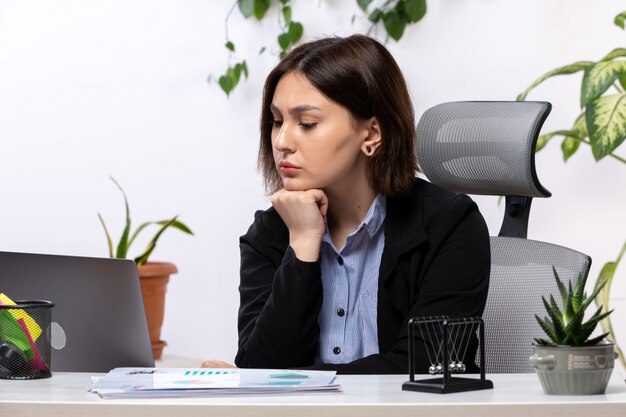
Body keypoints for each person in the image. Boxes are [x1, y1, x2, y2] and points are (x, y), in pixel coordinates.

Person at [203, 34, 490, 374]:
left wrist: (291, 380)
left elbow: (427, 365)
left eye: (307, 124)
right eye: (277, 121)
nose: (281, 142)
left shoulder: (450, 224)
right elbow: (263, 368)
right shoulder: (269, 234)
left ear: (371, 134)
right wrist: (303, 245)